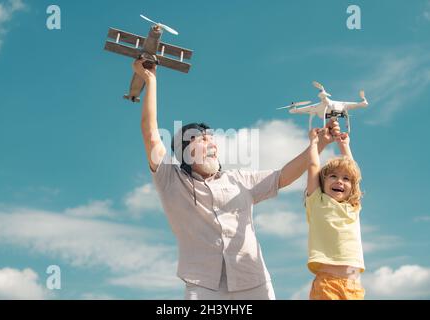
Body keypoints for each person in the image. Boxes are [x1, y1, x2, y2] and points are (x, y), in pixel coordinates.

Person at [133, 58, 340, 300]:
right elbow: (150, 133)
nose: (211, 143)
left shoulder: (239, 179)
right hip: (203, 286)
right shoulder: (171, 181)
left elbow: (283, 177)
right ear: (185, 151)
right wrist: (151, 81)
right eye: (201, 139)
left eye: (212, 138)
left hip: (253, 280)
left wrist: (320, 145)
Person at [306, 126, 365, 300]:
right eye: (333, 176)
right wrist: (314, 143)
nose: (340, 181)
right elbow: (312, 166)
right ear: (322, 182)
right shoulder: (317, 202)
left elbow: (354, 174)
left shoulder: (352, 207)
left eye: (345, 179)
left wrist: (344, 145)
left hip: (354, 287)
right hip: (327, 284)